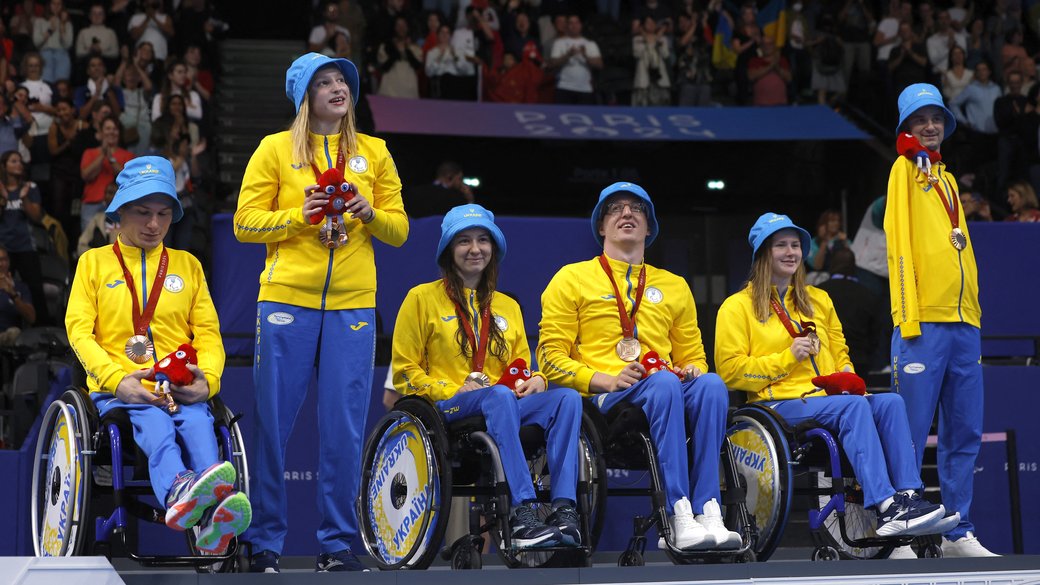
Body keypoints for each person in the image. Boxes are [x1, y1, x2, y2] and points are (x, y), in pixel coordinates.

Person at [233, 52, 408, 573]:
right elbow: (244, 222)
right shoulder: (274, 149)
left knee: (344, 428)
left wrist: (369, 211)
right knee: (272, 426)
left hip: (353, 306)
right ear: (304, 97)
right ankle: (265, 542)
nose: (337, 88)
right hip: (286, 300)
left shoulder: (374, 153)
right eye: (324, 82)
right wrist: (298, 216)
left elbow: (399, 231)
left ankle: (336, 543)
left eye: (342, 80)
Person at [716, 213, 954, 558]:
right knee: (855, 407)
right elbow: (731, 371)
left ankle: (907, 497)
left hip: (829, 401)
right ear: (762, 254)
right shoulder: (736, 307)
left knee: (889, 403)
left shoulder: (818, 300)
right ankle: (886, 505)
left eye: (795, 245)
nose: (790, 252)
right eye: (780, 245)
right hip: (777, 406)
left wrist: (845, 374)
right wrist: (787, 357)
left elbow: (840, 350)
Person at [537, 182, 741, 551]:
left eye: (637, 209)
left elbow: (694, 356)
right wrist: (606, 380)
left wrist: (691, 371)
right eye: (615, 208)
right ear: (601, 226)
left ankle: (709, 508)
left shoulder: (674, 285)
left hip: (663, 390)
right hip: (604, 404)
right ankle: (679, 514)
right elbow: (549, 358)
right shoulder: (571, 278)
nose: (627, 213)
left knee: (711, 385)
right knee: (663, 383)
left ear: (650, 227)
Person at [65, 156, 251, 555]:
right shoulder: (93, 264)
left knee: (200, 423)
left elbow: (208, 334)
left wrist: (209, 382)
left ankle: (214, 513)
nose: (154, 224)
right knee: (156, 422)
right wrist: (119, 381)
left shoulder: (188, 266)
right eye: (143, 213)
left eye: (164, 214)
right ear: (119, 212)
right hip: (119, 391)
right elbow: (79, 332)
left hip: (178, 387)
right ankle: (178, 489)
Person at [392, 203, 582, 548]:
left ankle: (564, 507)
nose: (474, 249)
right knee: (499, 395)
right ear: (449, 250)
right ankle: (523, 509)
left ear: (494, 249)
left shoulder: (507, 306)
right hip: (448, 407)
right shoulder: (420, 299)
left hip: (502, 403)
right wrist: (454, 388)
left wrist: (535, 379)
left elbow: (521, 364)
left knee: (566, 398)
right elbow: (405, 373)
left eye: (483, 240)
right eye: (464, 241)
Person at [886, 83, 997, 557]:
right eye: (920, 119)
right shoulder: (903, 170)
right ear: (907, 128)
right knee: (910, 429)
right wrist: (907, 315)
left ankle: (956, 531)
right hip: (922, 323)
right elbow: (899, 243)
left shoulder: (946, 180)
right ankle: (904, 531)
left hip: (962, 323)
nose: (930, 126)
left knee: (964, 431)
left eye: (936, 118)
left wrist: (972, 312)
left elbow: (960, 249)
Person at [0, 150, 49, 326]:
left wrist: (24, 197)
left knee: (36, 291)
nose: (19, 164)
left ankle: (43, 331)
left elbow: (36, 217)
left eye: (20, 161)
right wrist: (3, 199)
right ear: (4, 166)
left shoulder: (30, 187)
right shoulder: (0, 188)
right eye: (13, 161)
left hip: (26, 247)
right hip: (4, 250)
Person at [80, 115, 134, 232]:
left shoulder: (128, 155)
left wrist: (111, 158)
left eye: (115, 129)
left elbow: (128, 179)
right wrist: (102, 155)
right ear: (101, 132)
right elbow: (86, 175)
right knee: (90, 244)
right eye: (108, 129)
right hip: (91, 204)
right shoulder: (90, 152)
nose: (111, 132)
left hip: (118, 206)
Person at [549, 15, 603, 105]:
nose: (574, 25)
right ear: (567, 26)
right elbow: (553, 63)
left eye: (576, 23)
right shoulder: (559, 42)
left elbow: (600, 65)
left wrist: (585, 56)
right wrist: (568, 55)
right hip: (564, 87)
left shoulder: (590, 44)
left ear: (581, 25)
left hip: (585, 89)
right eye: (571, 23)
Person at [406, 160, 472, 217]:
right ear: (450, 177)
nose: (461, 183)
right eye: (459, 179)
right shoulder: (456, 198)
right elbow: (468, 217)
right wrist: (469, 198)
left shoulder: (414, 192)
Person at [0, 245, 35, 345]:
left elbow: (31, 318)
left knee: (15, 332)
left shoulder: (20, 288)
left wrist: (13, 294)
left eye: (3, 260)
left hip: (8, 337)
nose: (0, 264)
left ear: (9, 262)